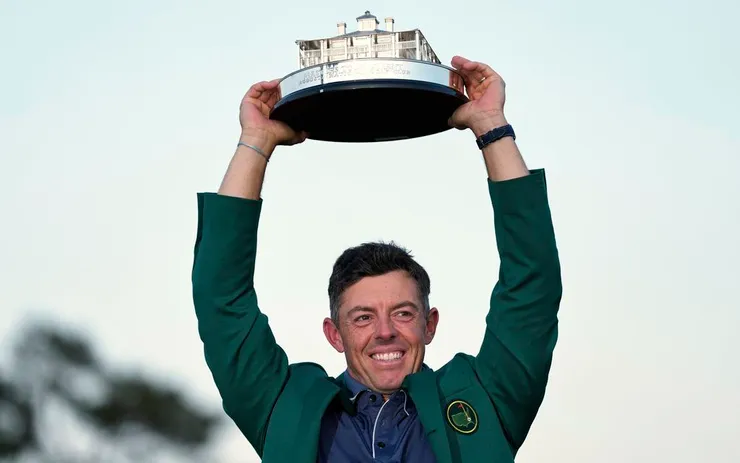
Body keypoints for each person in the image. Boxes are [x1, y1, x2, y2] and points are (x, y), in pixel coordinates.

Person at [191, 55, 562, 463]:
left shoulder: (484, 396)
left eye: (403, 313)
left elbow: (532, 287)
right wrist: (255, 141)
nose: (385, 332)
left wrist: (492, 125)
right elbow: (221, 302)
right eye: (363, 317)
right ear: (335, 334)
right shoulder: (288, 406)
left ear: (429, 324)